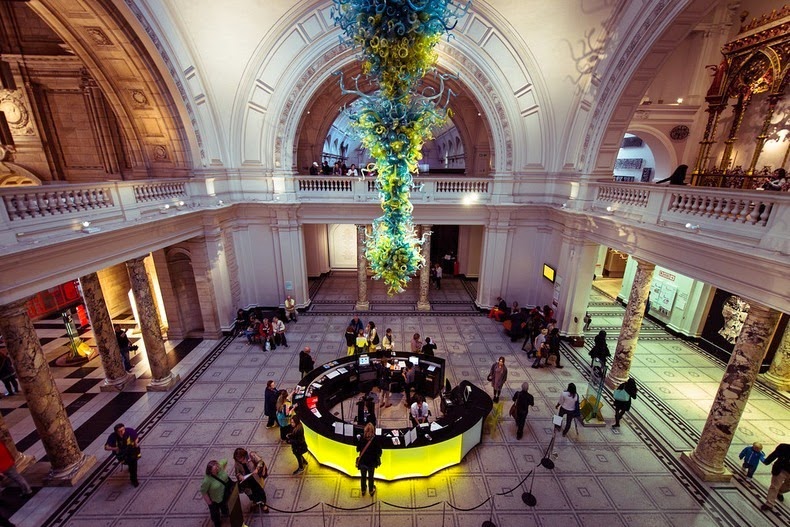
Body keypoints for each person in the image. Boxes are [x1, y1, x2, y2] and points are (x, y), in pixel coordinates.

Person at [233, 448, 269, 512]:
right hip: (246, 480)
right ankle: (255, 501)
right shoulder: (237, 462)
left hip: (255, 478)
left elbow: (260, 462)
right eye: (238, 460)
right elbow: (237, 472)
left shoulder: (252, 455)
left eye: (241, 459)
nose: (240, 461)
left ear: (244, 455)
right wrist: (240, 476)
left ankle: (263, 504)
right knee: (250, 493)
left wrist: (257, 469)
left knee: (259, 490)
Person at [200, 459, 231, 526]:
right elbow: (203, 491)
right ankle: (217, 523)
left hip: (224, 494)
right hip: (215, 499)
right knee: (215, 513)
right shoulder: (207, 480)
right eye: (215, 468)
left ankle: (225, 512)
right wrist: (209, 503)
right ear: (210, 471)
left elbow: (225, 460)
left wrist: (223, 467)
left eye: (217, 466)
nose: (217, 468)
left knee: (224, 505)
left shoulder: (219, 468)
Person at [761, 443, 790, 511]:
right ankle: (769, 503)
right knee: (774, 487)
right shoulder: (783, 447)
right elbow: (774, 455)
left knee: (788, 486)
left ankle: (780, 491)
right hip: (781, 469)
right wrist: (767, 461)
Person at [356, 422, 382, 497]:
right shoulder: (375, 440)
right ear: (373, 431)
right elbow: (379, 452)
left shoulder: (362, 438)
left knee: (363, 477)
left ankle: (363, 490)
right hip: (371, 463)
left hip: (363, 462)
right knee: (371, 477)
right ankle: (371, 491)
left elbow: (357, 449)